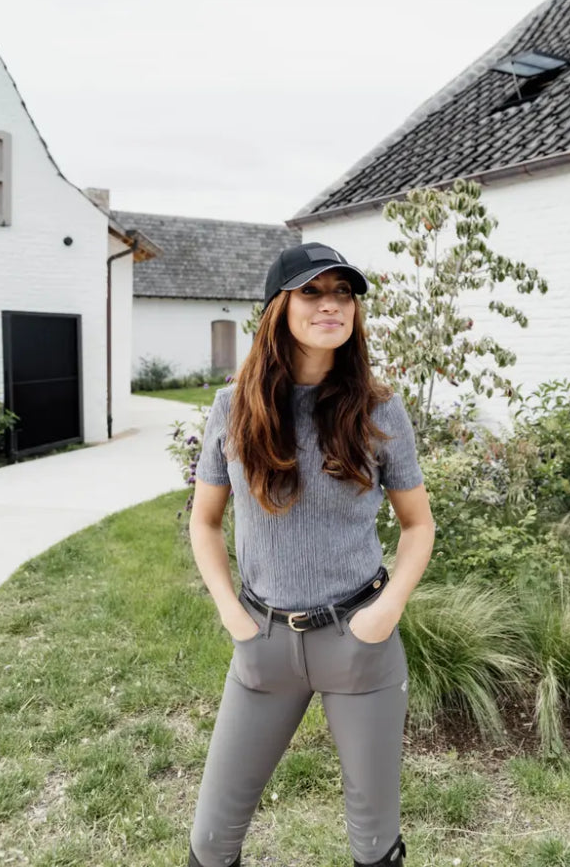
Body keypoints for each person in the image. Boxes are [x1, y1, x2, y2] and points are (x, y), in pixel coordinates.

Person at [187, 241, 435, 867]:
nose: (332, 305)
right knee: (210, 842)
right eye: (313, 292)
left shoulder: (379, 410)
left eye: (344, 293)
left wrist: (384, 614)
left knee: (375, 841)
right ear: (279, 307)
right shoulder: (232, 407)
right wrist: (231, 612)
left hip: (360, 643)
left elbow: (418, 526)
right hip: (262, 643)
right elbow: (205, 522)